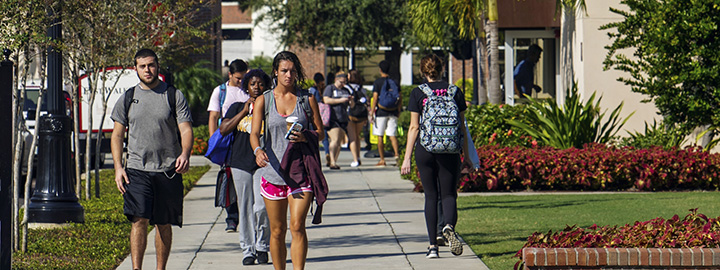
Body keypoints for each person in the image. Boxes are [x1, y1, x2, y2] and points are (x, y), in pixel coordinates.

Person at [110, 48, 193, 269]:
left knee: (163, 223)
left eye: (151, 65)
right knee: (139, 219)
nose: (148, 70)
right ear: (135, 68)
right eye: (142, 66)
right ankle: (136, 268)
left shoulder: (173, 95)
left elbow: (185, 130)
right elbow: (117, 135)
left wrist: (185, 153)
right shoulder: (129, 97)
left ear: (158, 65)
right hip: (137, 169)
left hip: (168, 169)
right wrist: (119, 167)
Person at [250, 51, 325, 270]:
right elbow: (255, 133)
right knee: (277, 230)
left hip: (301, 172)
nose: (288, 75)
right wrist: (257, 150)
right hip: (273, 172)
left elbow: (320, 132)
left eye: (292, 71)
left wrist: (306, 136)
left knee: (297, 226)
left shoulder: (307, 98)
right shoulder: (265, 99)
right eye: (284, 70)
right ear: (275, 72)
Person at [400, 54, 471, 259]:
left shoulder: (418, 93)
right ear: (443, 70)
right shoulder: (455, 91)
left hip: (426, 149)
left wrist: (406, 158)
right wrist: (465, 154)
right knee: (449, 195)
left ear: (423, 72)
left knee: (431, 196)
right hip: (449, 150)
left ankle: (432, 247)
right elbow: (462, 128)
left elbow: (414, 127)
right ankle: (448, 226)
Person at [218, 69, 272, 265]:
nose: (256, 88)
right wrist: (244, 111)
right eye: (252, 84)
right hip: (240, 162)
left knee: (262, 206)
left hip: (263, 162)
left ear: (266, 87)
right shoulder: (236, 107)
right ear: (246, 87)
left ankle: (262, 246)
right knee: (245, 208)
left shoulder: (270, 108)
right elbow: (223, 129)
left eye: (260, 84)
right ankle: (248, 250)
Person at [207, 59, 249, 232]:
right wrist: (213, 141)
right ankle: (232, 218)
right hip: (228, 139)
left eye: (243, 78)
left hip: (246, 139)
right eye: (238, 78)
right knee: (229, 178)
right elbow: (213, 116)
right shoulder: (220, 91)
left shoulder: (249, 89)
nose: (241, 82)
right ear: (230, 75)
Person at [370, 60, 401, 166]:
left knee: (380, 136)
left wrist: (372, 111)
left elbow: (375, 98)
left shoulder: (378, 82)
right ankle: (397, 157)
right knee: (392, 135)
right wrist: (398, 110)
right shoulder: (395, 82)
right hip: (393, 112)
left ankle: (382, 159)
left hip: (381, 112)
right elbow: (399, 97)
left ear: (380, 69)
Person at [323, 71, 352, 169]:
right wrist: (341, 100)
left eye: (344, 82)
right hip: (332, 118)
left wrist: (351, 101)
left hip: (343, 118)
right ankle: (332, 161)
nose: (343, 84)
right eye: (341, 82)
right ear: (336, 79)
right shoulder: (330, 88)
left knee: (339, 142)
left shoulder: (346, 90)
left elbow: (352, 105)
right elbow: (326, 100)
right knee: (334, 140)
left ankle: (333, 160)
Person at [345, 69, 368, 167]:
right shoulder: (362, 89)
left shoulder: (346, 88)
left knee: (352, 138)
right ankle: (358, 157)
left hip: (350, 114)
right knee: (357, 137)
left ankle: (355, 160)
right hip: (361, 115)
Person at [308, 72, 330, 166]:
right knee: (324, 136)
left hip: (315, 114)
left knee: (313, 135)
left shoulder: (312, 90)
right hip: (323, 114)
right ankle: (327, 152)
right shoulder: (324, 88)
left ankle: (314, 153)